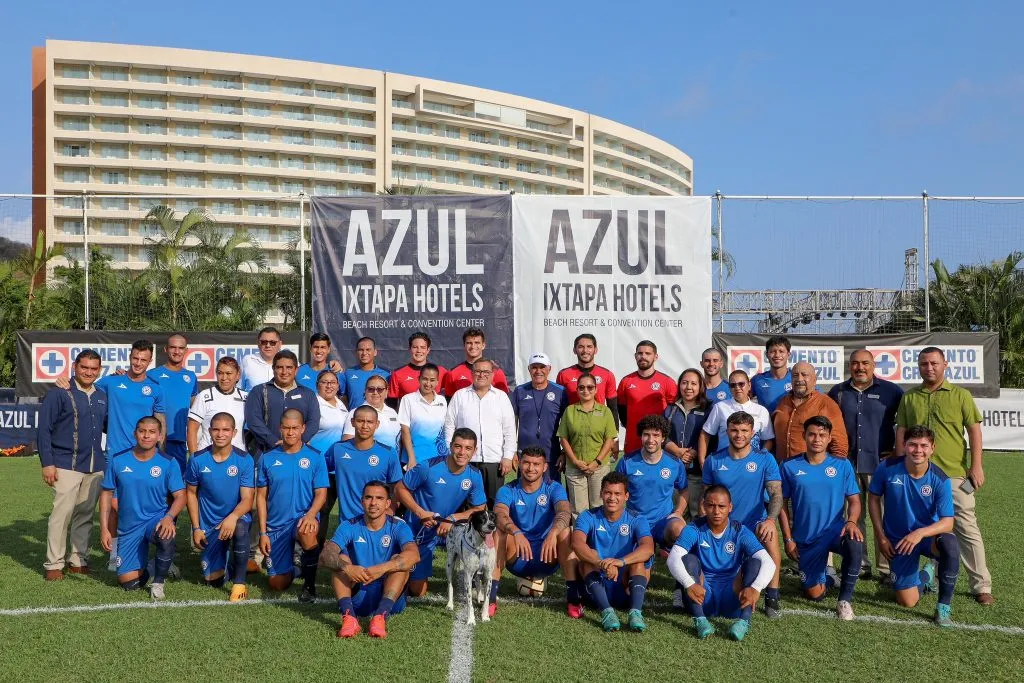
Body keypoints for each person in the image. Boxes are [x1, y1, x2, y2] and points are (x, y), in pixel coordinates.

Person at [895, 346, 991, 605]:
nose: (929, 368)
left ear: (945, 365)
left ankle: (981, 585)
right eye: (924, 364)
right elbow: (902, 433)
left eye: (934, 363)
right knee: (922, 526)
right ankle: (928, 577)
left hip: (953, 475)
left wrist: (976, 465)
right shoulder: (910, 397)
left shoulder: (961, 395)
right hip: (917, 476)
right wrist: (898, 464)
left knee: (966, 526)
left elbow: (974, 431)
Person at [868, 425, 960, 627]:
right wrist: (881, 536)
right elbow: (873, 498)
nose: (918, 450)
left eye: (924, 446)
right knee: (907, 602)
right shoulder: (887, 468)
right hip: (899, 540)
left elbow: (948, 522)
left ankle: (943, 607)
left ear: (932, 448)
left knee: (950, 544)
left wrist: (920, 533)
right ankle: (926, 576)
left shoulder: (940, 479)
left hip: (927, 538)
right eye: (913, 445)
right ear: (904, 445)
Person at [828, 349, 904, 579]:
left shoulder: (892, 392)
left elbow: (904, 425)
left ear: (873, 366)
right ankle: (860, 564)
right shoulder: (838, 392)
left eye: (865, 363)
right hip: (848, 465)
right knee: (854, 515)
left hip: (881, 465)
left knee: (885, 516)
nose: (860, 367)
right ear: (849, 366)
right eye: (855, 363)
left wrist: (897, 452)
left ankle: (886, 567)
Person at [779, 416, 864, 620]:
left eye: (822, 435)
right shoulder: (789, 466)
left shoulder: (842, 465)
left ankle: (844, 600)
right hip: (807, 537)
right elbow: (781, 505)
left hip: (835, 531)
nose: (817, 439)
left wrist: (851, 522)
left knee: (854, 542)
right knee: (814, 594)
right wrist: (788, 539)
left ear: (829, 438)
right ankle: (828, 579)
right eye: (812, 434)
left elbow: (854, 500)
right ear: (804, 436)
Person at [667, 485, 776, 641]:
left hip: (732, 599)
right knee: (688, 560)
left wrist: (756, 588)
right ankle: (700, 620)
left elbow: (768, 562)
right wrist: (689, 584)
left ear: (730, 507)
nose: (716, 511)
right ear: (704, 506)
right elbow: (673, 557)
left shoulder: (740, 531)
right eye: (711, 506)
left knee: (755, 563)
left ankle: (744, 621)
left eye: (721, 506)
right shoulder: (694, 528)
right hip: (702, 597)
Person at [702, 411, 784, 618]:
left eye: (744, 430)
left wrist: (770, 520)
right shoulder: (713, 460)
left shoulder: (765, 459)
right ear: (727, 431)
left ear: (753, 432)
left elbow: (776, 493)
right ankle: (685, 587)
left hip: (755, 523)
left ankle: (772, 596)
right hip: (724, 526)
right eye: (734, 430)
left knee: (771, 535)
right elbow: (706, 497)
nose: (739, 435)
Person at [38, 349, 108, 580]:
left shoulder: (102, 395)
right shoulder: (59, 393)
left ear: (99, 370)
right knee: (62, 515)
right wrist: (47, 463)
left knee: (85, 515)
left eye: (93, 368)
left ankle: (78, 560)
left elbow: (108, 426)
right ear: (75, 367)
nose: (88, 372)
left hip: (95, 465)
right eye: (84, 367)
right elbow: (44, 430)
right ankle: (54, 564)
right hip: (65, 463)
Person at [319, 481, 420, 639]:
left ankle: (380, 617)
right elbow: (325, 555)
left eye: (379, 498)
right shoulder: (349, 526)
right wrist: (347, 567)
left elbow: (414, 555)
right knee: (341, 560)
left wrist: (382, 568)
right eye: (368, 497)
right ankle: (349, 618)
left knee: (399, 562)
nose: (373, 503)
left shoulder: (398, 526)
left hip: (389, 596)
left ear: (388, 503)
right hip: (357, 593)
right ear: (362, 501)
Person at [394, 428, 487, 597]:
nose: (462, 452)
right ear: (450, 446)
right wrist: (420, 512)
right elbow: (400, 488)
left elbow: (480, 508)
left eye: (468, 448)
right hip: (420, 530)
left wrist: (453, 518)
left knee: (485, 534)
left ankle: (479, 581)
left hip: (446, 529)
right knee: (418, 591)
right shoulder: (428, 467)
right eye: (458, 446)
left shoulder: (474, 475)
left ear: (475, 450)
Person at [99, 416, 185, 600]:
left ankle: (158, 583)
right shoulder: (118, 460)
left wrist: (169, 517)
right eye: (142, 431)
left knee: (166, 535)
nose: (146, 436)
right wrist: (105, 529)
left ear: (160, 436)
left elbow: (181, 496)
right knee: (129, 584)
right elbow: (106, 494)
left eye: (152, 432)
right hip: (129, 527)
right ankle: (159, 563)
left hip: (155, 520)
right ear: (135, 433)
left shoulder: (169, 462)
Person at [493, 447, 578, 616]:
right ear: (519, 463)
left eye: (536, 464)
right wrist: (516, 532)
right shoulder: (508, 489)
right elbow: (499, 514)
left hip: (547, 556)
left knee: (566, 531)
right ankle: (490, 597)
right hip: (517, 555)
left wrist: (553, 533)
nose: (531, 468)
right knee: (499, 532)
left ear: (545, 467)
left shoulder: (553, 487)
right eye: (526, 463)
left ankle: (574, 599)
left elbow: (564, 511)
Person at [255, 409, 329, 601]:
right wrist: (263, 533)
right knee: (277, 584)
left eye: (295, 428)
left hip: (303, 519)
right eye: (286, 428)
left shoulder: (315, 457)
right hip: (276, 525)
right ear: (280, 428)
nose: (290, 432)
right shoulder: (267, 458)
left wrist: (311, 515)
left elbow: (321, 494)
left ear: (303, 428)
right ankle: (298, 567)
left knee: (307, 532)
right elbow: (261, 497)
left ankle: (309, 587)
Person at [571, 471, 655, 632]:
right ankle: (607, 613)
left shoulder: (637, 519)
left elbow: (648, 548)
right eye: (608, 492)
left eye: (617, 494)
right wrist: (600, 563)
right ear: (601, 494)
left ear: (626, 496)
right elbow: (577, 543)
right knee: (586, 560)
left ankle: (635, 613)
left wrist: (620, 562)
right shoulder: (588, 516)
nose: (612, 498)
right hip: (598, 583)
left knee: (639, 561)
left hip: (625, 584)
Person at [184, 412, 255, 601]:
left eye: (226, 430)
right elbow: (190, 494)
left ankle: (239, 584)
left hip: (236, 518)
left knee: (240, 527)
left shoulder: (244, 459)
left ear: (234, 432)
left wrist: (232, 517)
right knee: (213, 581)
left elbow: (248, 499)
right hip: (209, 525)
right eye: (216, 429)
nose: (220, 434)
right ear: (209, 431)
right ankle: (236, 563)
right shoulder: (197, 459)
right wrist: (196, 528)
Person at [444, 358, 517, 505]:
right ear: (472, 373)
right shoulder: (460, 395)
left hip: (494, 461)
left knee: (494, 504)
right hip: (465, 460)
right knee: (465, 504)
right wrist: (451, 453)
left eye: (486, 372)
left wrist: (508, 457)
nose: (481, 375)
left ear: (492, 374)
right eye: (478, 371)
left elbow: (510, 430)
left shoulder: (501, 397)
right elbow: (449, 426)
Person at [615, 414, 688, 550]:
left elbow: (684, 491)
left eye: (656, 435)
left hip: (663, 521)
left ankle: (667, 548)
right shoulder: (627, 462)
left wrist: (678, 512)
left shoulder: (675, 463)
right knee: (642, 558)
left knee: (679, 529)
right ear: (641, 436)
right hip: (636, 521)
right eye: (646, 435)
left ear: (663, 438)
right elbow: (615, 491)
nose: (650, 440)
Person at [556, 373, 619, 517]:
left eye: (590, 387)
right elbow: (564, 438)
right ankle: (580, 533)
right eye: (582, 387)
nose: (586, 391)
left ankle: (598, 532)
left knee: (599, 506)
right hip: (575, 467)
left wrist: (597, 462)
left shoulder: (605, 411)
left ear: (596, 389)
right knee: (578, 510)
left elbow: (609, 439)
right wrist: (575, 461)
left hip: (599, 468)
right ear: (577, 390)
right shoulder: (569, 411)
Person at [329, 405, 403, 527]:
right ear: (352, 422)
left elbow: (398, 488)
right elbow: (318, 472)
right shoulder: (338, 449)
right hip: (347, 524)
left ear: (377, 424)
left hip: (377, 523)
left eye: (370, 422)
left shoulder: (388, 453)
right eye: (360, 421)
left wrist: (391, 509)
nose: (364, 426)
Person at [244, 350, 320, 460]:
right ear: (273, 369)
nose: (284, 372)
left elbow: (313, 423)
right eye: (280, 367)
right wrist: (274, 442)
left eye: (289, 367)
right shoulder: (259, 391)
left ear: (296, 370)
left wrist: (296, 443)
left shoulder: (308, 394)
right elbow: (253, 421)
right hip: (266, 453)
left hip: (299, 455)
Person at [773, 361, 849, 461]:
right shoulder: (782, 402)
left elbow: (839, 446)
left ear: (814, 380)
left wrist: (833, 469)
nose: (799, 379)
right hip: (781, 468)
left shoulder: (827, 404)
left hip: (812, 468)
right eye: (795, 375)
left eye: (804, 375)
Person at [147, 334, 199, 474]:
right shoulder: (152, 375)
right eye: (173, 347)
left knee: (178, 482)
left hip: (180, 440)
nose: (177, 351)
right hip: (155, 440)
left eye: (181, 348)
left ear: (186, 350)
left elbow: (195, 408)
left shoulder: (191, 377)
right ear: (165, 349)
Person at [698, 370, 774, 465]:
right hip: (724, 463)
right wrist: (702, 462)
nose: (737, 388)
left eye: (741, 384)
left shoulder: (761, 411)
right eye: (733, 385)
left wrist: (760, 457)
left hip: (752, 465)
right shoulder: (720, 407)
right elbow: (705, 434)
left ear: (749, 385)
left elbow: (768, 439)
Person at [310, 369, 349, 548]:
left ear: (338, 385)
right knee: (318, 509)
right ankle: (308, 551)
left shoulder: (341, 405)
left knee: (326, 509)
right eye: (324, 382)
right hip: (318, 466)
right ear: (317, 385)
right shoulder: (313, 403)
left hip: (336, 468)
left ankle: (319, 550)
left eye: (332, 382)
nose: (329, 386)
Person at [616, 340, 678, 454]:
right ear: (635, 356)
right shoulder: (626, 381)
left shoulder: (667, 382)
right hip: (633, 441)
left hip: (658, 442)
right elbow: (621, 411)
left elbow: (673, 413)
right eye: (640, 353)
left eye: (648, 353)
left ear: (655, 357)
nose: (643, 356)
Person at [664, 368, 710, 520]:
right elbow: (662, 436)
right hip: (674, 472)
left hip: (697, 473)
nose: (688, 387)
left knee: (698, 515)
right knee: (675, 516)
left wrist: (695, 452)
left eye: (693, 383)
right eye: (684, 383)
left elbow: (713, 437)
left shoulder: (709, 409)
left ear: (700, 386)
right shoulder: (670, 409)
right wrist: (677, 451)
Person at [510, 352, 568, 469]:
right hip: (525, 455)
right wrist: (512, 450)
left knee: (551, 481)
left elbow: (567, 424)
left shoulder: (560, 391)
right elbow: (512, 422)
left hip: (551, 454)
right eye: (534, 367)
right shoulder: (520, 391)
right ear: (529, 369)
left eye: (542, 367)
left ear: (549, 369)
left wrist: (564, 452)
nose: (538, 371)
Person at [188, 356, 247, 454]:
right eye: (220, 373)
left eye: (228, 373)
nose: (224, 378)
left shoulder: (246, 398)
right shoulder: (204, 396)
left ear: (238, 375)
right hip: (208, 455)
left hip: (237, 456)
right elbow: (192, 429)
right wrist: (194, 457)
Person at [556, 334, 619, 423]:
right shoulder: (564, 374)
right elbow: (559, 407)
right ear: (574, 350)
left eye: (589, 347)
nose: (585, 350)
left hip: (598, 426)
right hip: (573, 427)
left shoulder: (607, 375)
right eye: (580, 347)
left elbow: (613, 408)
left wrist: (615, 431)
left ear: (595, 350)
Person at [397, 363, 448, 471]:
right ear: (419, 379)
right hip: (413, 459)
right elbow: (405, 430)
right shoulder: (408, 399)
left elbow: (444, 430)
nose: (428, 383)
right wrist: (411, 458)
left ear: (437, 382)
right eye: (425, 379)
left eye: (432, 380)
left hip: (437, 458)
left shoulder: (442, 400)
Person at [344, 375, 402, 457]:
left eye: (380, 389)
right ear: (365, 391)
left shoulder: (392, 412)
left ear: (386, 392)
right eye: (371, 389)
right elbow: (347, 444)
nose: (375, 392)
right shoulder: (355, 413)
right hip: (368, 461)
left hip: (392, 461)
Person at [442, 327, 511, 395]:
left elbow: (503, 399)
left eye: (477, 342)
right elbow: (450, 400)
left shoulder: (496, 372)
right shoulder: (453, 373)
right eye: (469, 343)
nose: (473, 346)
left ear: (483, 345)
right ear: (464, 345)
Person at [388, 332, 448, 405]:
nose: (419, 351)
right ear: (409, 349)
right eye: (415, 347)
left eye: (422, 347)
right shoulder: (398, 374)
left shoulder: (441, 372)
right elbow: (391, 405)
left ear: (428, 350)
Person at [341, 336, 390, 408]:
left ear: (375, 352)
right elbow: (343, 398)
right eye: (361, 350)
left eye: (368, 350)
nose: (364, 353)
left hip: (378, 414)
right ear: (356, 352)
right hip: (354, 414)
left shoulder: (386, 375)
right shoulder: (348, 374)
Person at [751, 335, 793, 414]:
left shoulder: (796, 378)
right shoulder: (757, 380)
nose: (777, 355)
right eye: (773, 351)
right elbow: (742, 401)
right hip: (766, 422)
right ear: (767, 354)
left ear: (788, 354)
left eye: (781, 351)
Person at [241, 326, 282, 391]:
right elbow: (238, 389)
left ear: (280, 344)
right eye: (264, 342)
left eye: (272, 342)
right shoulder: (247, 361)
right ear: (258, 343)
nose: (268, 345)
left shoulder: (289, 363)